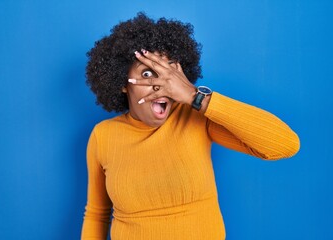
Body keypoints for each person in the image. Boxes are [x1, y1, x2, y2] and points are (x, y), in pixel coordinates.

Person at [81, 12, 300, 240]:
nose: (161, 85)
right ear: (123, 84)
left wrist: (196, 97)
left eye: (169, 72)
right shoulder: (103, 135)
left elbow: (285, 145)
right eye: (147, 74)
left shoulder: (196, 118)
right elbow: (97, 215)